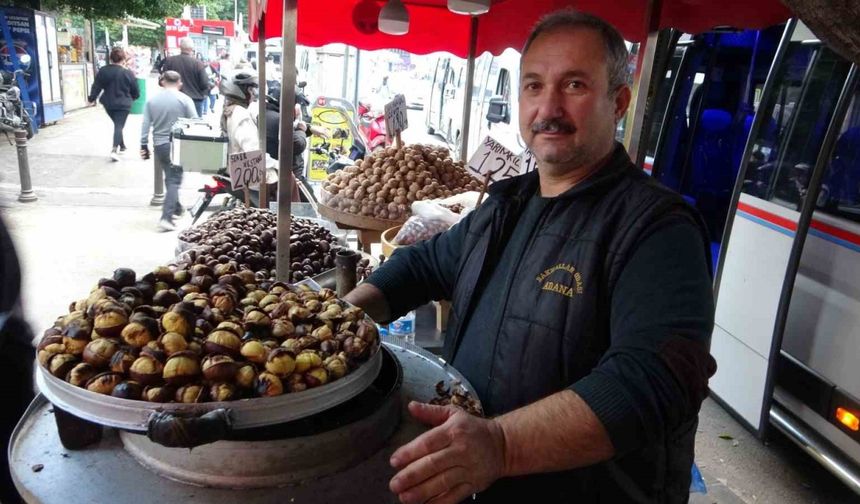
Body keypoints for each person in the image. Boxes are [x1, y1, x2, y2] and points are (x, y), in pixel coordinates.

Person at [344, 10, 716, 503]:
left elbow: (652, 381)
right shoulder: (507, 204)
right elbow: (422, 265)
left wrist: (501, 445)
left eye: (575, 85)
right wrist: (342, 317)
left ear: (619, 101)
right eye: (534, 86)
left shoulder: (656, 227)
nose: (548, 108)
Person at [140, 71, 198, 232]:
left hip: (160, 145)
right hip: (179, 145)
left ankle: (177, 207)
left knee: (170, 177)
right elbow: (195, 122)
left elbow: (145, 124)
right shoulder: (185, 99)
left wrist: (143, 144)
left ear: (163, 82)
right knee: (174, 180)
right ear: (179, 83)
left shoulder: (152, 100)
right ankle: (167, 217)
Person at [219, 72, 278, 204]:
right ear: (244, 91)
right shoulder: (241, 115)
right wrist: (277, 165)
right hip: (248, 177)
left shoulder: (230, 110)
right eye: (252, 89)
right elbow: (254, 153)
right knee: (286, 182)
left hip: (234, 170)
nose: (254, 94)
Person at [88, 47, 140, 161]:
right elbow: (135, 90)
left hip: (108, 103)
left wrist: (92, 98)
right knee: (119, 125)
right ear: (124, 59)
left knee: (117, 124)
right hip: (124, 104)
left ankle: (122, 145)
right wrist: (133, 98)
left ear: (110, 58)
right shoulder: (128, 73)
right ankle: (114, 149)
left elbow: (96, 86)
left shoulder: (103, 71)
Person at [161, 38, 211, 117]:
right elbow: (204, 83)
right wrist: (204, 94)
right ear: (192, 49)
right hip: (195, 100)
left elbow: (162, 80)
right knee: (193, 126)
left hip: (173, 100)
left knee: (172, 125)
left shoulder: (170, 61)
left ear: (180, 47)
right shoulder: (198, 64)